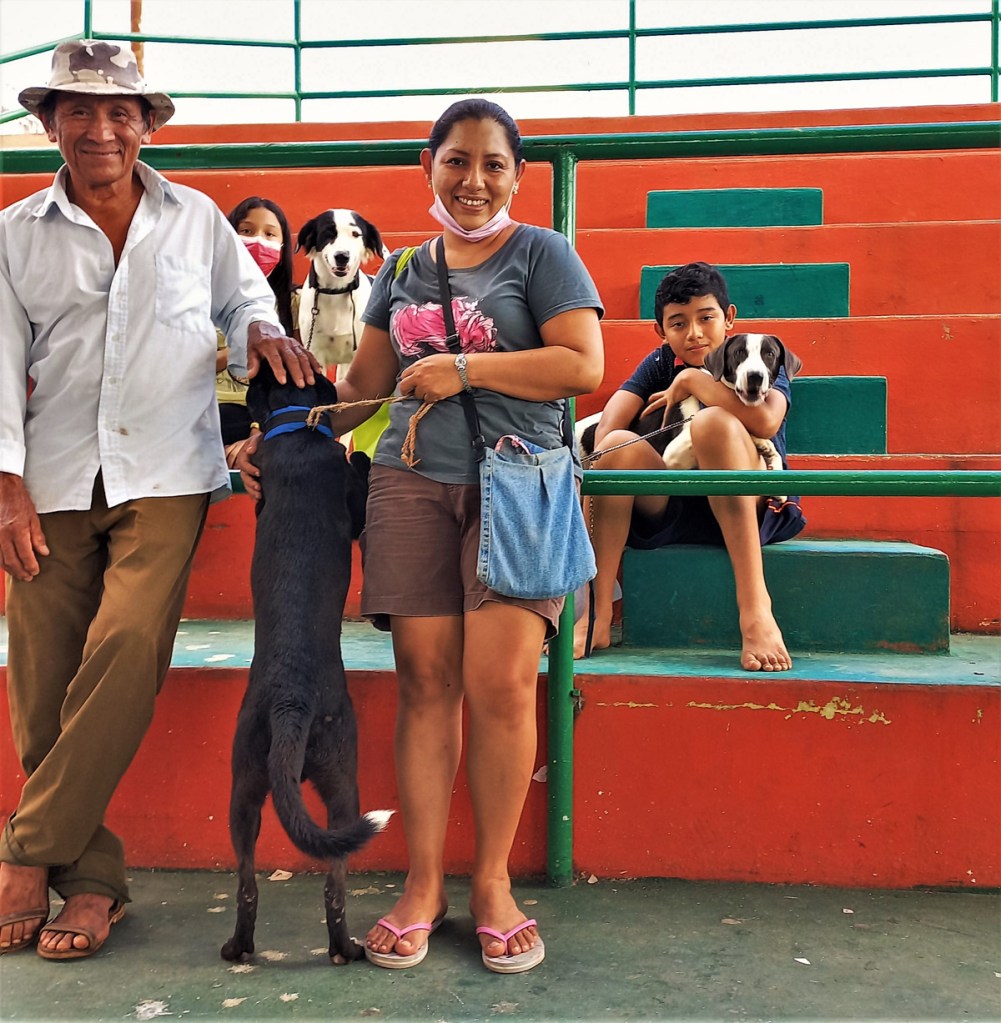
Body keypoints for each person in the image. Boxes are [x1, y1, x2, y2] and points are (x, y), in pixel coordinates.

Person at [240, 98, 604, 973]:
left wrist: (465, 368)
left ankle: (490, 886)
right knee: (425, 683)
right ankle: (424, 881)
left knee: (503, 685)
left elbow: (582, 365)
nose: (473, 180)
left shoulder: (541, 254)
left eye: (492, 164)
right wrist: (284, 436)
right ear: (427, 164)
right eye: (455, 162)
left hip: (516, 487)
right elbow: (365, 390)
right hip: (408, 485)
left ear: (517, 174)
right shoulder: (401, 267)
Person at [0, 40, 316, 961]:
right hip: (50, 474)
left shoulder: (198, 219)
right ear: (48, 122)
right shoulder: (15, 233)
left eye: (120, 112)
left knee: (129, 647)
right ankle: (93, 883)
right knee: (42, 685)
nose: (100, 129)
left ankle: (25, 851)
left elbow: (245, 300)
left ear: (148, 124)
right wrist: (6, 485)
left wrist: (259, 326)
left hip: (168, 474)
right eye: (79, 112)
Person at [572, 261, 804, 670]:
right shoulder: (662, 362)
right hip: (676, 507)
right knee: (614, 446)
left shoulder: (760, 354)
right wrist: (601, 453)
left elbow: (767, 419)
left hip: (749, 503)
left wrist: (697, 382)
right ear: (661, 331)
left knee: (713, 421)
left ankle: (756, 610)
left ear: (729, 319)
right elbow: (612, 421)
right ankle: (597, 611)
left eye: (706, 318)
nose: (694, 333)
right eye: (678, 323)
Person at [217, 196, 298, 466]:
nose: (258, 241)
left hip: (262, 414)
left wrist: (257, 430)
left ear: (283, 246)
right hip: (206, 412)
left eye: (269, 234)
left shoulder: (294, 303)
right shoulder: (201, 296)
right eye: (247, 231)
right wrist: (241, 347)